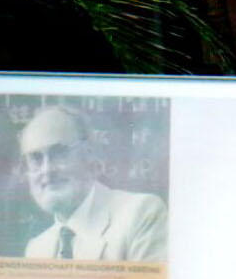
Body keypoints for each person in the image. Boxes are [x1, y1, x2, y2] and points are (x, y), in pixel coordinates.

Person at [18, 106, 167, 262]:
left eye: (59, 152)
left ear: (89, 154)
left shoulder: (141, 215)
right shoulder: (36, 249)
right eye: (35, 158)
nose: (47, 169)